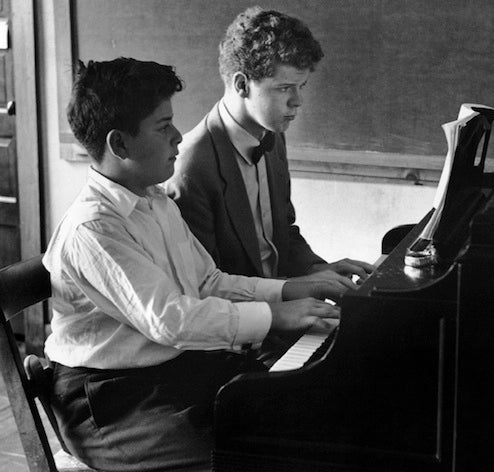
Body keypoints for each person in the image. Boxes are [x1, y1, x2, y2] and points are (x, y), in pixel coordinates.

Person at [43, 57, 352, 472]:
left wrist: (292, 289)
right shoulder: (94, 229)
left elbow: (207, 281)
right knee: (252, 446)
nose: (177, 137)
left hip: (170, 369)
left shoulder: (152, 199)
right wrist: (276, 316)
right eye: (163, 125)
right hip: (110, 402)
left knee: (297, 408)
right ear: (119, 145)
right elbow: (170, 320)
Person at [164, 6, 375, 281]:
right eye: (284, 88)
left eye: (302, 87)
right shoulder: (190, 168)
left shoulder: (272, 135)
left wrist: (315, 269)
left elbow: (283, 233)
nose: (297, 101)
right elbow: (206, 287)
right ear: (242, 85)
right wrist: (297, 291)